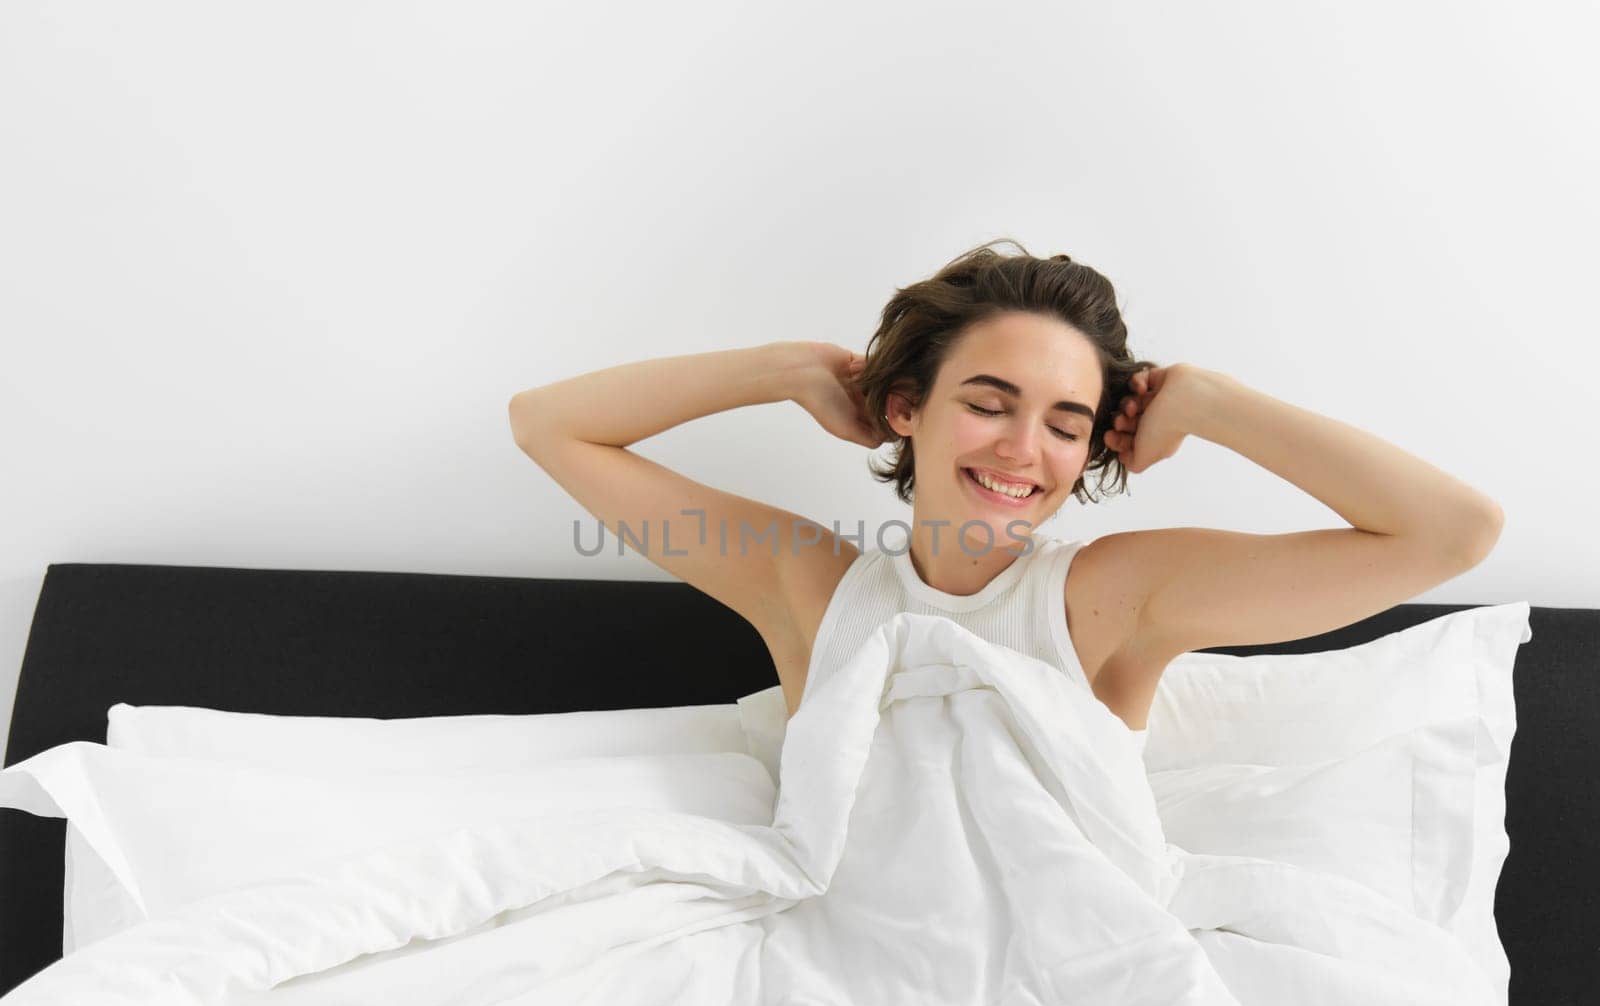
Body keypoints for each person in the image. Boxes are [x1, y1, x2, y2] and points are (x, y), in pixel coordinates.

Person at [508, 237, 1505, 729]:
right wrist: (777, 371)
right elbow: (549, 424)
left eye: (1067, 422)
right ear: (905, 407)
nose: (1024, 448)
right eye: (988, 401)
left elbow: (1451, 532)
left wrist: (1216, 403)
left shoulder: (1111, 594)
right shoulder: (808, 585)